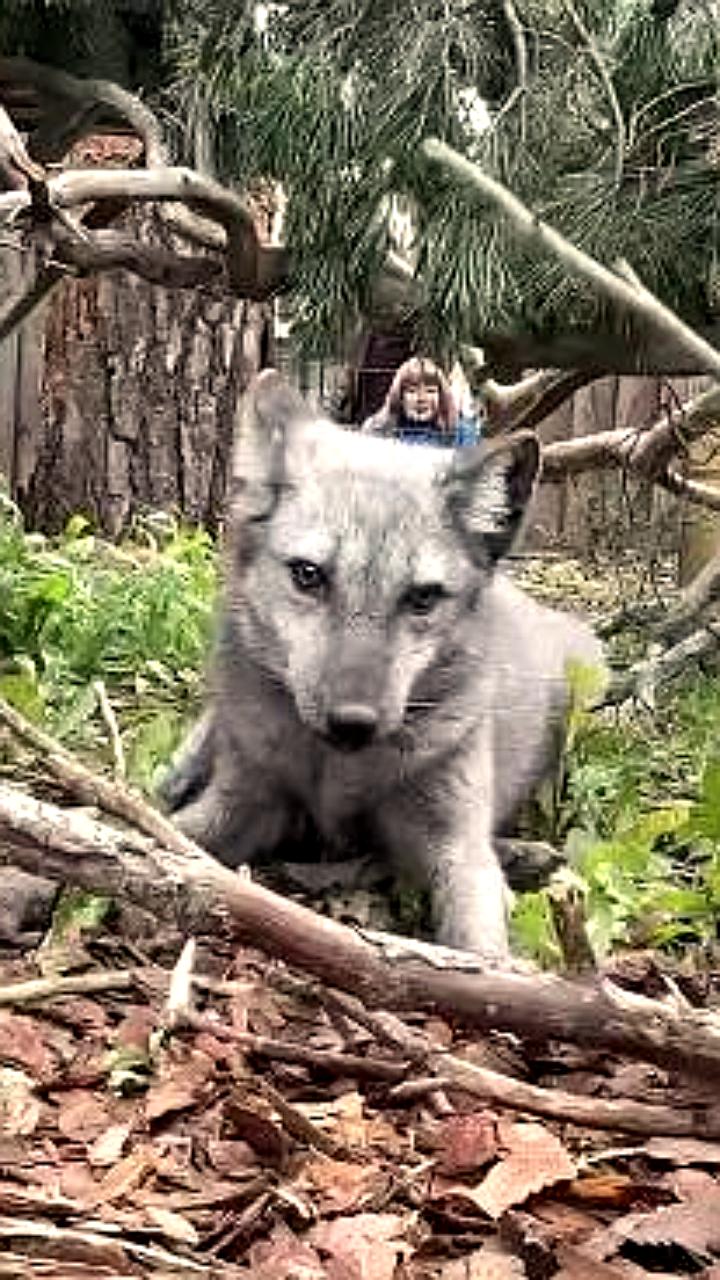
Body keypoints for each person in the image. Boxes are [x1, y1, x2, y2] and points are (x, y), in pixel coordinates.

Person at [361, 355, 481, 447]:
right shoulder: (379, 431)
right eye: (412, 391)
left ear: (442, 396)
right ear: (399, 396)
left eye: (430, 391)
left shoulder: (461, 433)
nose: (421, 399)